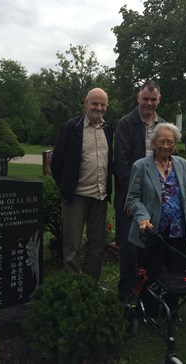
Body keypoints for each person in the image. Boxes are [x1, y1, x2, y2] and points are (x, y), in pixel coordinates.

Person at [127, 123, 186, 319]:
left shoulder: (182, 164)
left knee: (176, 274)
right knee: (152, 273)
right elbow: (133, 198)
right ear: (154, 143)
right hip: (153, 231)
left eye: (170, 142)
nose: (166, 145)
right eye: (161, 141)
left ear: (175, 144)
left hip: (178, 231)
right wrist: (143, 218)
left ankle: (171, 311)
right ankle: (149, 312)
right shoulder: (140, 166)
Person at [50, 87, 113, 279]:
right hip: (76, 197)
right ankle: (72, 289)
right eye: (95, 103)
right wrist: (67, 187)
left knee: (96, 247)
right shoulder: (71, 128)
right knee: (72, 248)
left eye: (103, 104)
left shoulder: (108, 130)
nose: (99, 108)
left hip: (99, 197)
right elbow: (56, 163)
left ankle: (90, 286)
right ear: (86, 103)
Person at [114, 79, 165, 301]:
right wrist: (130, 196)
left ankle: (148, 287)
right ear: (138, 98)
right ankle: (125, 289)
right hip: (130, 195)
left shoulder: (163, 126)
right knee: (128, 245)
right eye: (145, 99)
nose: (149, 103)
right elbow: (121, 163)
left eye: (153, 99)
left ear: (159, 100)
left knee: (152, 243)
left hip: (155, 196)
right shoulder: (126, 123)